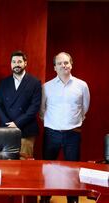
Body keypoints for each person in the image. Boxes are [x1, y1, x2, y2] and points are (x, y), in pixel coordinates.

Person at [40, 52, 90, 203]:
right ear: (54, 67)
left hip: (72, 134)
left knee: (73, 170)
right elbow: (42, 110)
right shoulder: (46, 87)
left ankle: (73, 199)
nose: (64, 65)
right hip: (51, 134)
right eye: (60, 63)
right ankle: (45, 197)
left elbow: (85, 107)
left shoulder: (82, 85)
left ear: (71, 64)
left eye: (66, 62)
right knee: (48, 168)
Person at [0, 50, 42, 158]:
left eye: (19, 61)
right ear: (11, 64)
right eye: (14, 62)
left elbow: (34, 107)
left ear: (25, 63)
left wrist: (17, 123)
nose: (17, 64)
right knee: (7, 164)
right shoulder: (4, 82)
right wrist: (8, 123)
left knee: (25, 163)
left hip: (26, 130)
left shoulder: (34, 82)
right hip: (7, 130)